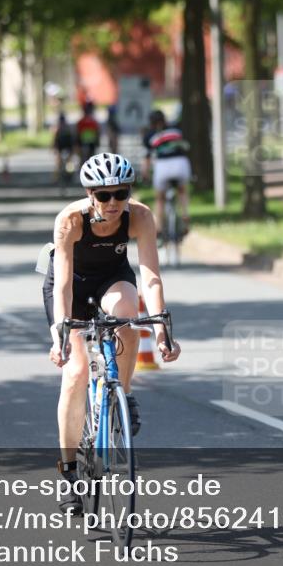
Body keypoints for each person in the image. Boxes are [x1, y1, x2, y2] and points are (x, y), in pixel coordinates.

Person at [42, 152, 181, 513]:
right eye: (104, 195)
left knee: (129, 318)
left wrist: (162, 327)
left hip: (112, 279)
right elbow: (63, 286)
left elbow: (150, 276)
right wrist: (60, 333)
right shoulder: (70, 220)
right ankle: (69, 472)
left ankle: (126, 392)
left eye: (121, 193)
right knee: (75, 374)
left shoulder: (141, 216)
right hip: (70, 285)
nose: (114, 202)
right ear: (90, 195)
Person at [142, 109, 191, 237]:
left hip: (162, 166)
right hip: (181, 163)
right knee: (182, 190)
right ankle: (186, 217)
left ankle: (158, 227)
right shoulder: (176, 130)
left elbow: (147, 158)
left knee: (160, 198)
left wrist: (145, 175)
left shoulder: (150, 135)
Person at [51, 113, 76, 184]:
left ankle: (55, 178)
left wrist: (53, 148)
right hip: (68, 146)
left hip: (61, 146)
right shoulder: (68, 127)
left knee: (58, 162)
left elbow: (54, 139)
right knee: (69, 161)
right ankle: (71, 173)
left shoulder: (57, 128)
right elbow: (73, 139)